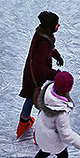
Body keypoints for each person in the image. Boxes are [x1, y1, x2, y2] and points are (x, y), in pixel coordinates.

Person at [22, 71, 80, 158]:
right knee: (63, 155)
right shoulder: (60, 111)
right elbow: (65, 134)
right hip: (51, 139)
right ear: (69, 88)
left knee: (43, 151)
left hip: (40, 133)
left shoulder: (47, 93)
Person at [17, 11, 63, 139]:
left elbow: (48, 49)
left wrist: (56, 55)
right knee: (43, 105)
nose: (58, 25)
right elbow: (41, 68)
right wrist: (56, 75)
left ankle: (23, 124)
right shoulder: (44, 41)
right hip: (38, 79)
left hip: (31, 77)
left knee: (30, 99)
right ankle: (39, 135)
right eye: (56, 24)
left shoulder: (41, 34)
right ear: (51, 26)